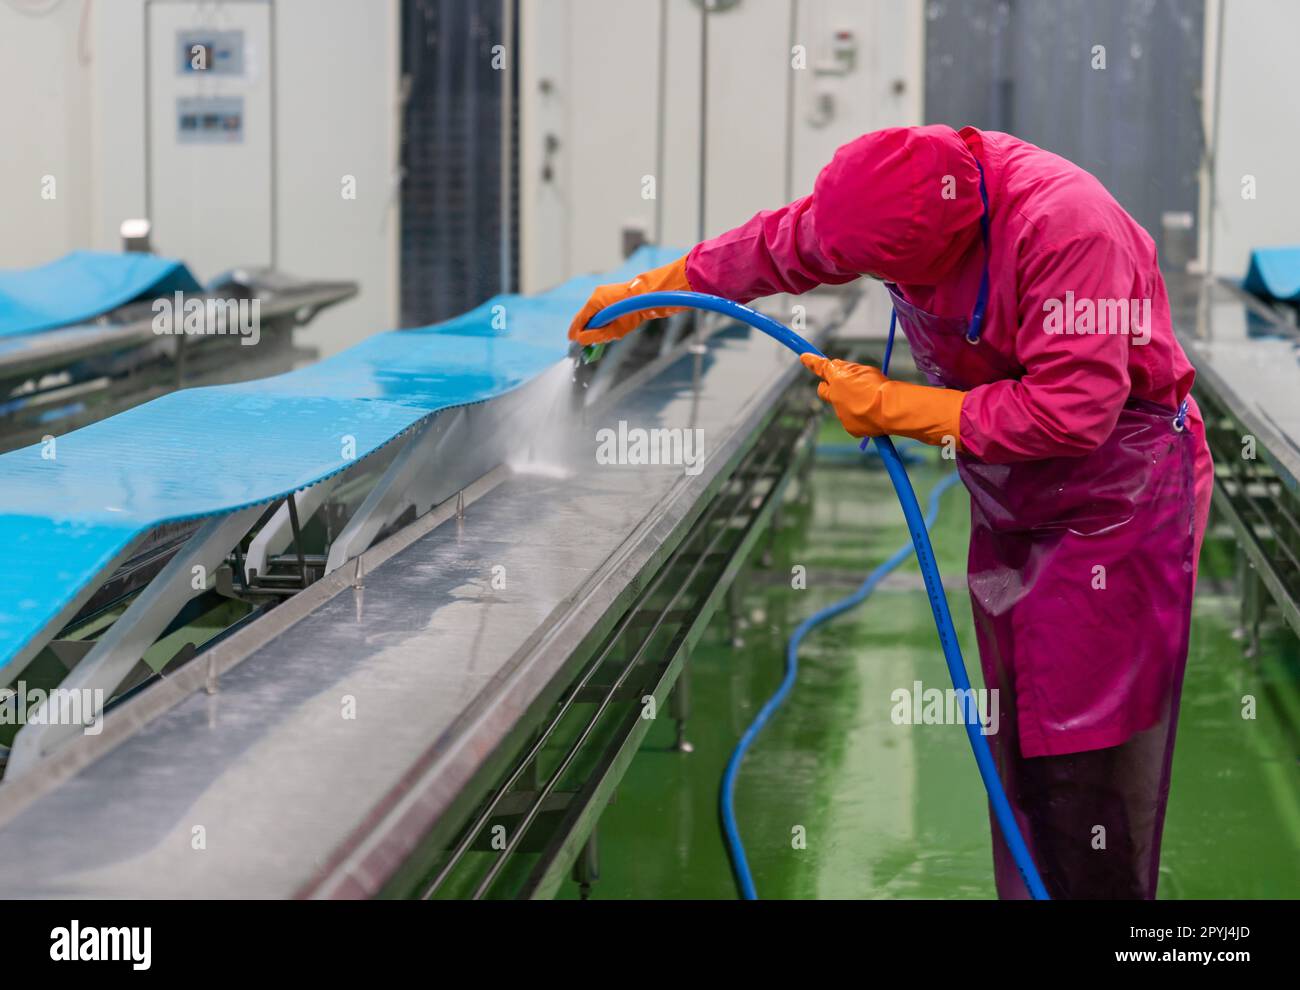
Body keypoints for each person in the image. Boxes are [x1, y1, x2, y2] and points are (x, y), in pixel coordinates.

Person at [568, 125, 1214, 900]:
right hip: (1016, 489)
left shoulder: (1069, 229)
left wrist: (895, 405)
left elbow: (1074, 413)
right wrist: (660, 288)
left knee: (1085, 750)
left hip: (1118, 498)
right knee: (1023, 733)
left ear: (960, 231)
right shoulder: (881, 200)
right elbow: (783, 245)